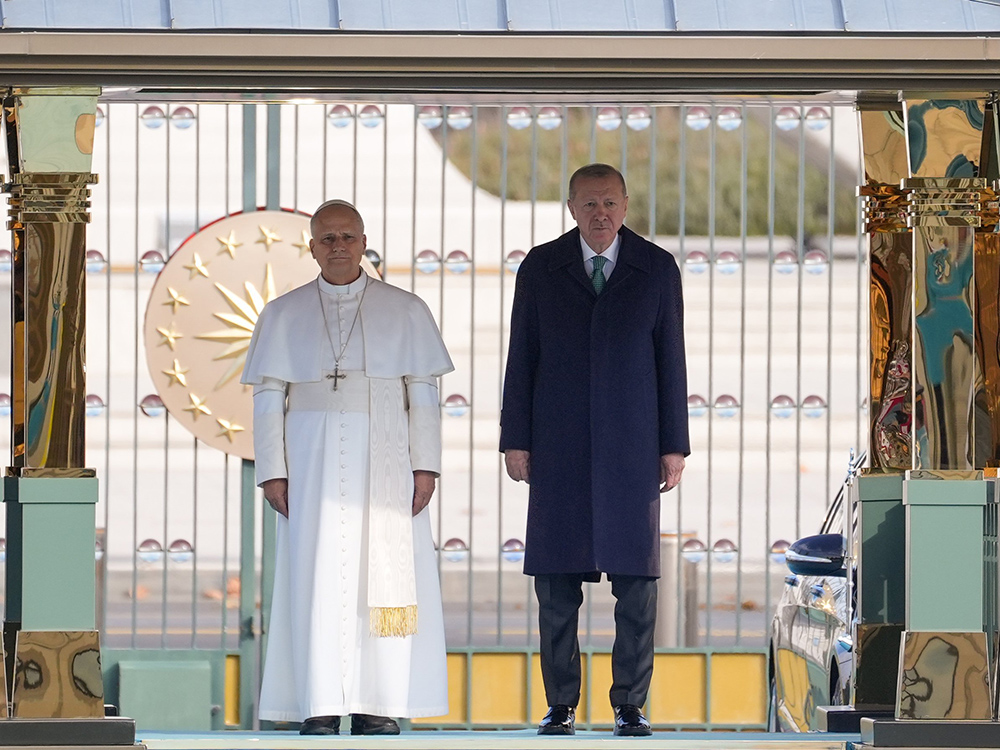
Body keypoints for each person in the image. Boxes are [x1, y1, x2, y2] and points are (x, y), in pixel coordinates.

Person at [241, 199, 453, 735]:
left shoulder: (405, 309)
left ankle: (376, 702)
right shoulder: (283, 313)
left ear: (363, 243)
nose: (338, 246)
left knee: (378, 576)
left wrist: (425, 467)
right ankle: (318, 701)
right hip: (309, 458)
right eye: (328, 238)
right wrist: (272, 471)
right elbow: (267, 398)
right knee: (314, 574)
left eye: (348, 237)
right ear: (312, 247)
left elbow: (423, 395)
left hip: (384, 458)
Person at [500, 163, 689, 737]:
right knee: (556, 584)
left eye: (609, 202)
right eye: (589, 204)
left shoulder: (656, 267)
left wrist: (673, 445)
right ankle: (560, 704)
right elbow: (521, 356)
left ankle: (630, 703)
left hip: (632, 444)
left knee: (637, 586)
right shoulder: (541, 266)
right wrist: (516, 439)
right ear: (572, 208)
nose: (600, 213)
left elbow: (671, 360)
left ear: (626, 205)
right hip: (558, 444)